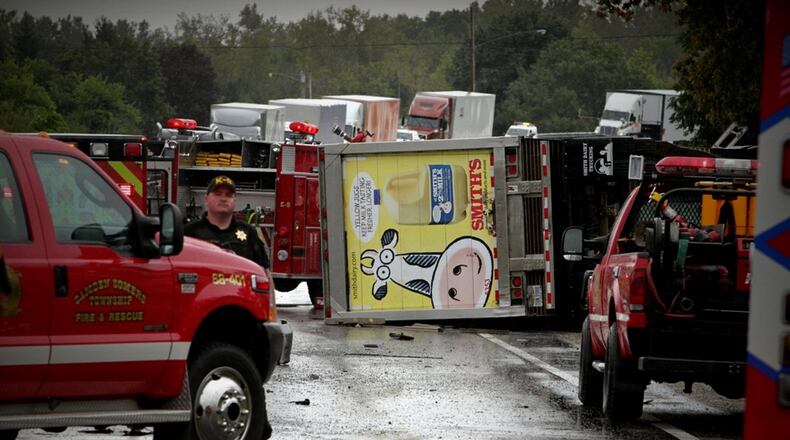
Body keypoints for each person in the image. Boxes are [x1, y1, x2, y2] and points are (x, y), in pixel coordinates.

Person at [184, 175, 270, 269]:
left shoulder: (249, 233)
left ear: (234, 201)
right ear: (206, 199)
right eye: (218, 194)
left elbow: (264, 272)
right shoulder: (188, 233)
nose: (223, 199)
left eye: (228, 195)